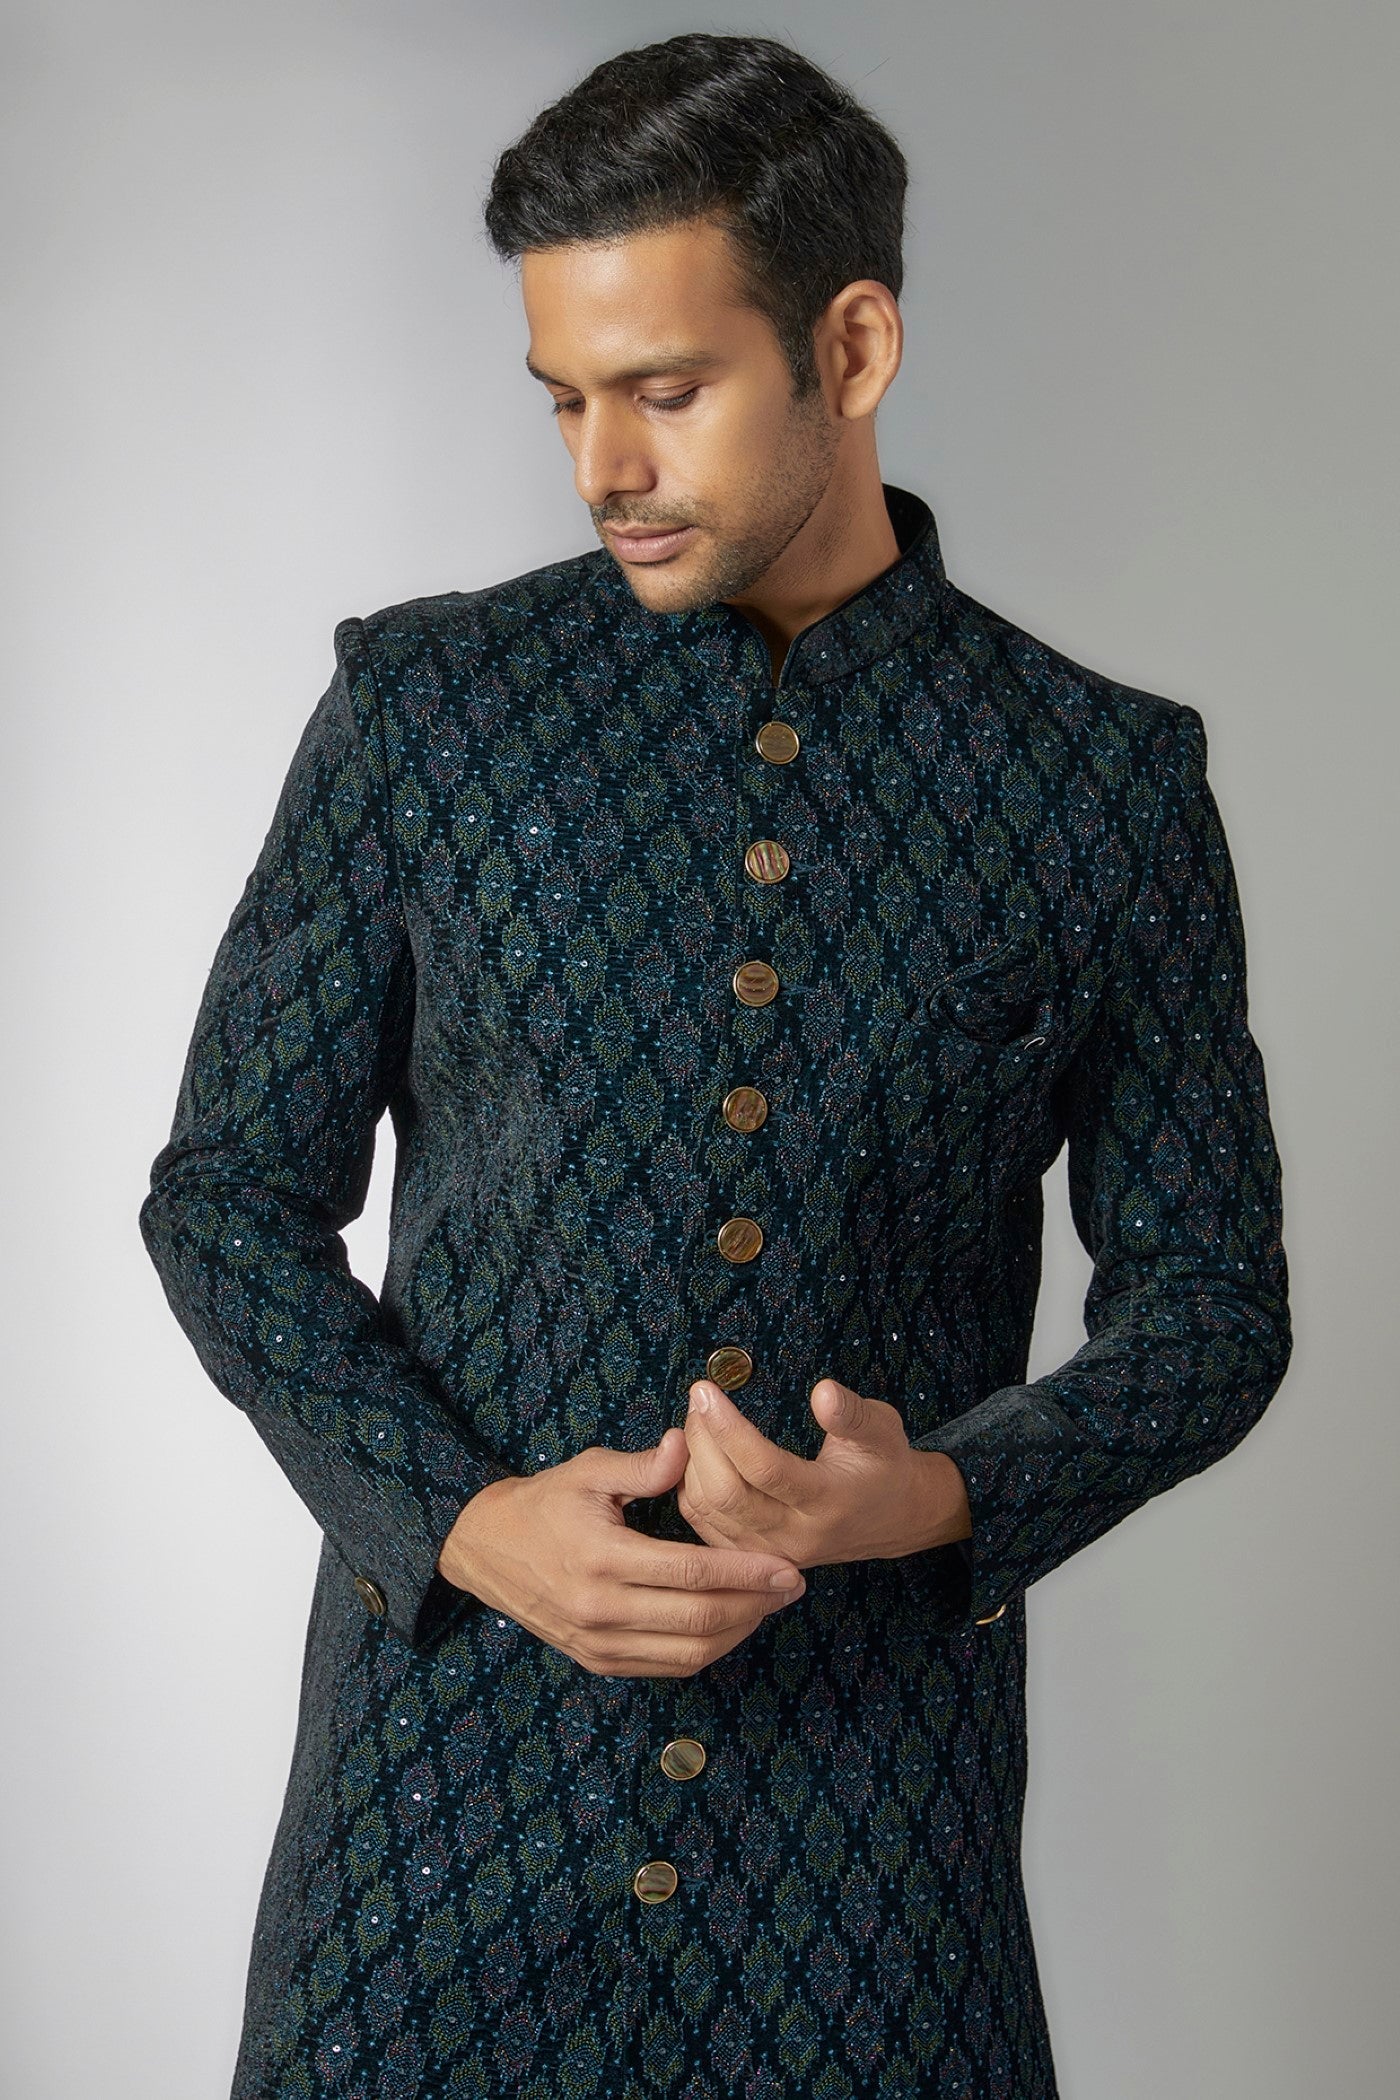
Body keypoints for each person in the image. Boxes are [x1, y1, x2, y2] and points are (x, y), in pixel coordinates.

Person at [139, 30, 1292, 2100]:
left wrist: (943, 1495)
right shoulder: (427, 713)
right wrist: (461, 1521)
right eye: (564, 397)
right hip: (437, 1831)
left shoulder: (1096, 787)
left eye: (666, 392)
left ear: (852, 347)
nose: (603, 465)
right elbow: (226, 1199)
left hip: (871, 1856)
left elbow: (1211, 1306)